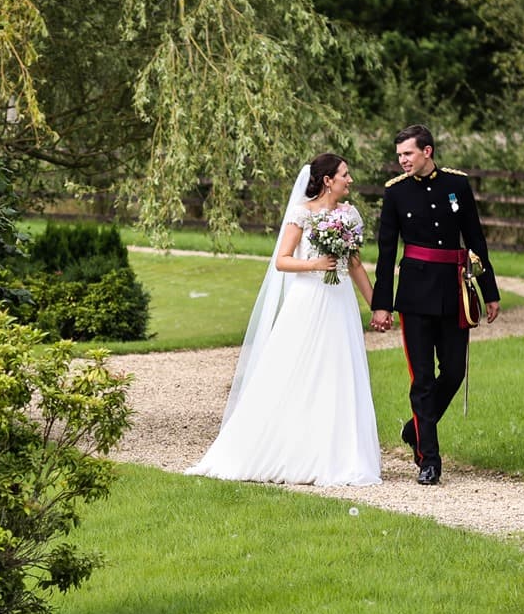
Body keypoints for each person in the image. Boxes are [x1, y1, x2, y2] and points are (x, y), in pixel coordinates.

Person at [187, 153, 382, 486]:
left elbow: (355, 265)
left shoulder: (349, 215)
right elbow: (282, 261)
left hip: (340, 304)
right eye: (345, 174)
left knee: (339, 371)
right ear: (327, 180)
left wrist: (378, 307)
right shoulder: (301, 214)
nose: (350, 180)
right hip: (307, 301)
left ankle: (338, 454)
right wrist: (316, 265)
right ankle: (284, 449)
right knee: (295, 370)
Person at [369, 124, 500, 485]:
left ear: (427, 151)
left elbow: (476, 239)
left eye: (407, 154)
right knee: (422, 378)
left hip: (454, 292)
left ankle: (415, 429)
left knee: (454, 371)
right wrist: (382, 304)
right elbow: (385, 253)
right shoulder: (395, 193)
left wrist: (490, 291)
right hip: (414, 295)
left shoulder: (457, 185)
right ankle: (430, 458)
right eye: (399, 156)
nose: (402, 161)